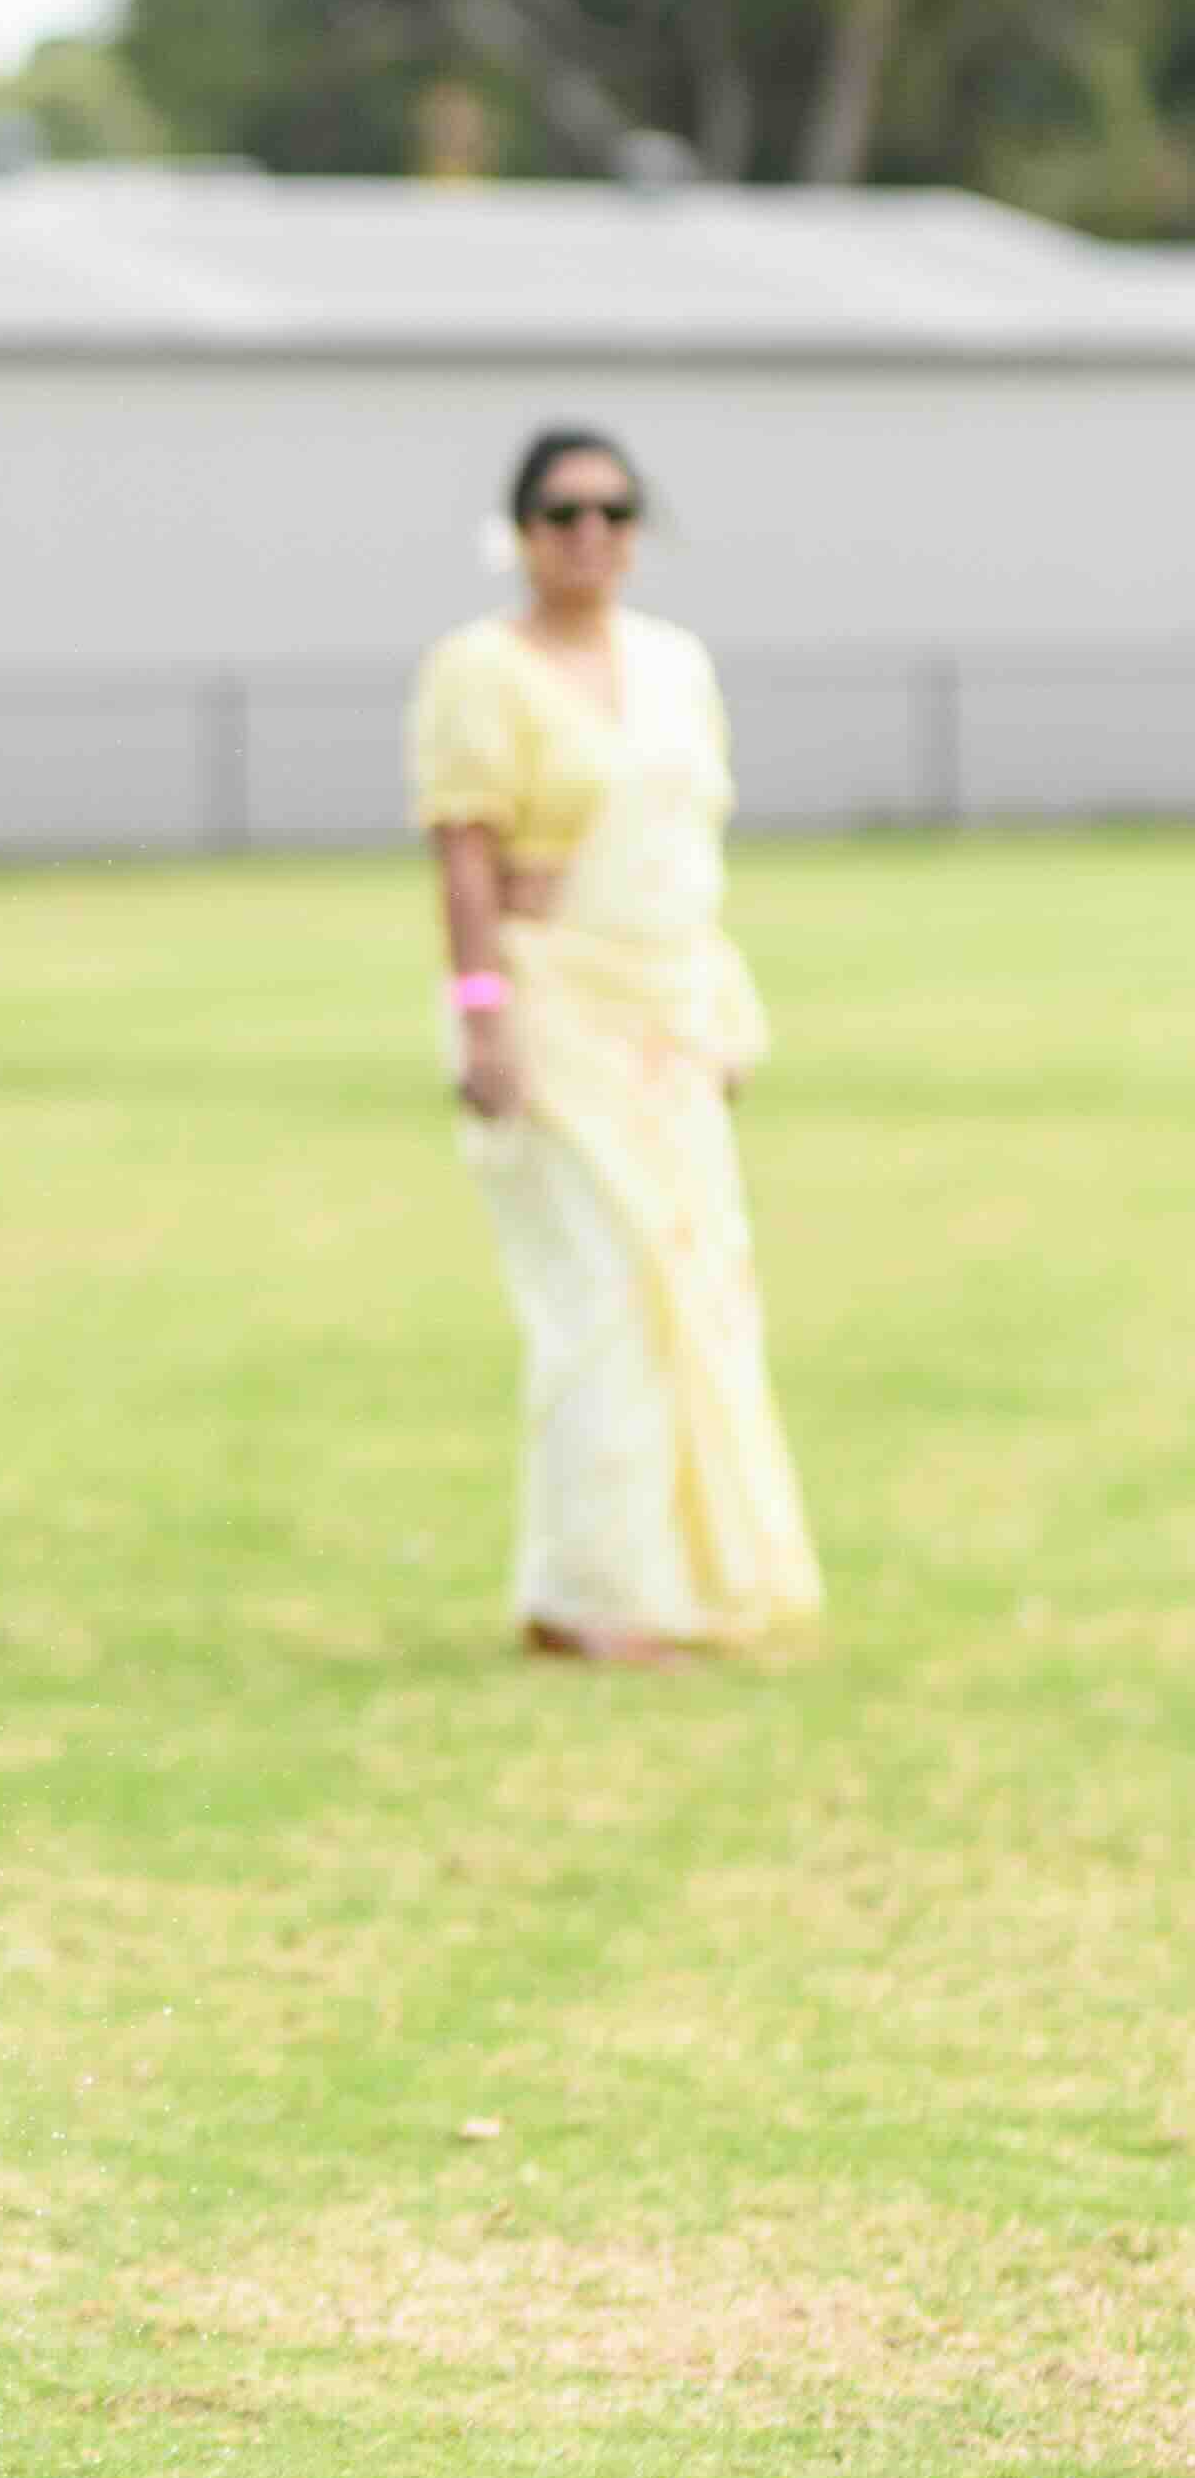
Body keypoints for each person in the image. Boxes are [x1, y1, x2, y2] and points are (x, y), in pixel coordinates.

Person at [411, 422, 820, 1665]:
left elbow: (689, 862)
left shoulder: (676, 665)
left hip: (668, 1010)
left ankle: (673, 1584)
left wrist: (718, 1013)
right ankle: (583, 1593)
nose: (588, 534)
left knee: (693, 1288)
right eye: (561, 512)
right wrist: (484, 1015)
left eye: (613, 511)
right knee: (594, 1294)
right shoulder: (478, 669)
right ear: (521, 530)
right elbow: (464, 851)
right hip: (547, 1002)